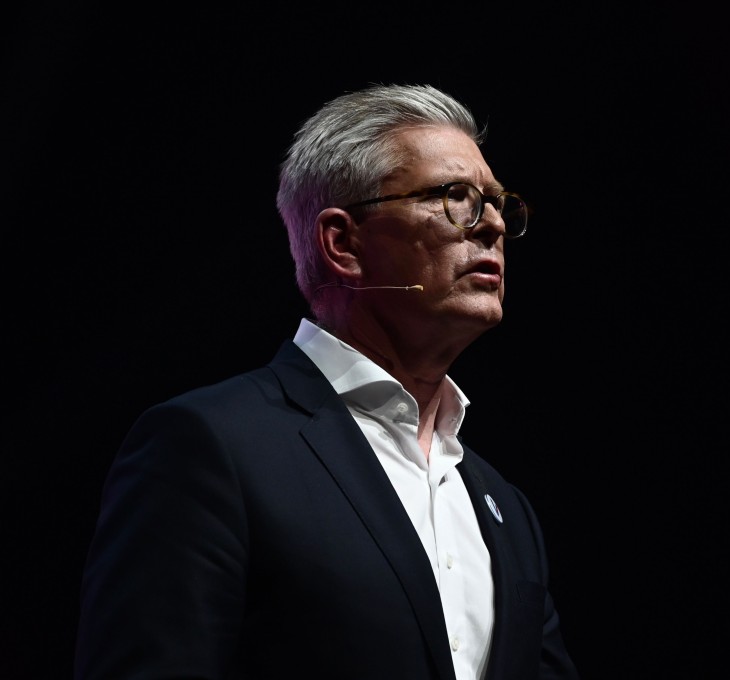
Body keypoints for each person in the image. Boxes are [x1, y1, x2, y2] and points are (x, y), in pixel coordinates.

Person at [74, 83, 580, 680]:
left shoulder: (505, 508)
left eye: (496, 203)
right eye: (454, 197)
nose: (492, 224)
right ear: (343, 243)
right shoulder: (211, 447)